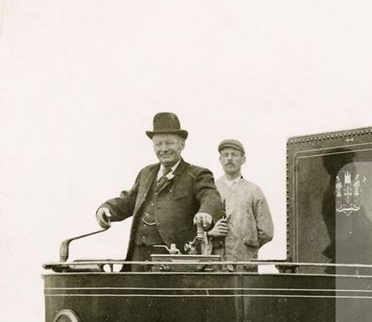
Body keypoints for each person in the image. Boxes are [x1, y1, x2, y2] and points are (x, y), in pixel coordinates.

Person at [96, 112, 223, 265]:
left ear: (182, 144)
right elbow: (129, 200)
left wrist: (205, 212)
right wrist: (107, 209)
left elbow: (210, 196)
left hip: (175, 259)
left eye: (169, 143)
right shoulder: (146, 173)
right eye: (158, 144)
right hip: (138, 257)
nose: (163, 149)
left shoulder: (196, 174)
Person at [206, 138, 274, 267]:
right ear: (220, 160)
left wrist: (247, 245)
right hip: (215, 263)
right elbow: (196, 228)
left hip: (244, 263)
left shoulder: (253, 191)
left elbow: (266, 232)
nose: (229, 159)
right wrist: (210, 233)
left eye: (234, 155)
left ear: (243, 159)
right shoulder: (210, 190)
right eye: (225, 155)